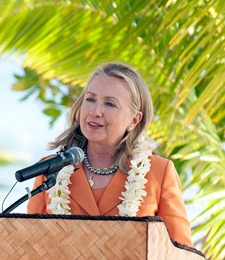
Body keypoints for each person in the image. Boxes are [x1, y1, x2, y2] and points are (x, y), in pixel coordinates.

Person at [27, 62, 193, 247]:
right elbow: (30, 247)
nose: (95, 112)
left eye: (110, 104)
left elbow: (182, 252)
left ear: (134, 120)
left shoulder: (159, 173)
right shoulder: (51, 170)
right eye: (90, 99)